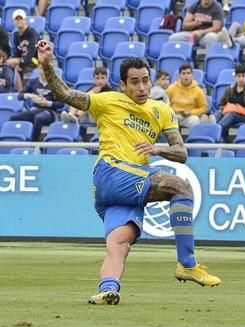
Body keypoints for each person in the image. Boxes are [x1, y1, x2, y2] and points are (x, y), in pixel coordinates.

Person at [35, 39, 222, 305]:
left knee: (119, 245)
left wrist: (157, 149)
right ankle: (187, 264)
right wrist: (47, 65)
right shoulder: (107, 101)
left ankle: (107, 290)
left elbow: (181, 153)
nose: (142, 87)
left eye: (145, 80)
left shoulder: (162, 111)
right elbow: (66, 94)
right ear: (123, 85)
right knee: (181, 187)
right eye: (134, 82)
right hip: (111, 172)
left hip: (125, 187)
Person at [10, 66, 65, 141]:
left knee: (38, 118)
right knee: (13, 117)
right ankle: (17, 142)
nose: (43, 71)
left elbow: (61, 104)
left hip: (50, 112)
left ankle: (34, 144)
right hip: (35, 110)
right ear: (39, 70)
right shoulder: (33, 82)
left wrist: (46, 103)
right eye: (42, 69)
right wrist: (29, 95)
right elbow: (19, 96)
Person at [216, 64, 245, 141]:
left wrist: (241, 109)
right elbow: (221, 104)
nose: (241, 79)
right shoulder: (229, 89)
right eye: (239, 76)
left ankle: (218, 130)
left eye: (243, 76)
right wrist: (224, 108)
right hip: (228, 114)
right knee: (218, 113)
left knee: (231, 114)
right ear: (235, 77)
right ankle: (215, 130)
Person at [166, 64, 208, 129]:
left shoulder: (198, 91)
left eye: (188, 73)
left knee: (195, 120)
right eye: (183, 73)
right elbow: (165, 104)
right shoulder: (171, 88)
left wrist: (190, 112)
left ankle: (192, 139)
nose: (186, 75)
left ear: (192, 75)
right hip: (175, 114)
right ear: (179, 75)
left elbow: (203, 108)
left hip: (190, 116)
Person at [6, 10, 39, 86]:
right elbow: (16, 53)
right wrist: (17, 64)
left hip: (35, 61)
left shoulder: (32, 32)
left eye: (21, 18)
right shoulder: (16, 35)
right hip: (22, 61)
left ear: (25, 20)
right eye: (16, 19)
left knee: (26, 69)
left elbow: (32, 52)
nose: (19, 21)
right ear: (13, 22)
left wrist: (20, 62)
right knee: (7, 65)